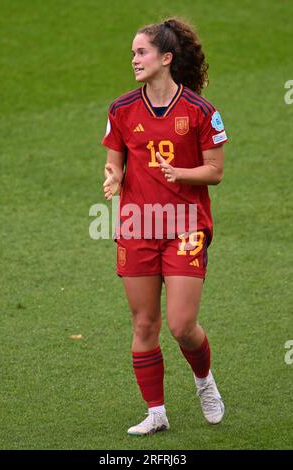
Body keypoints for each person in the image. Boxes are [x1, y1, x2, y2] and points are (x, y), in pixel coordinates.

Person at [102, 17, 228, 436]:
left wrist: (181, 174)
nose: (134, 59)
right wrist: (113, 177)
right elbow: (115, 159)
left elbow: (215, 172)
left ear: (166, 58)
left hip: (185, 227)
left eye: (142, 52)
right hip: (137, 226)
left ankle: (204, 382)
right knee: (144, 325)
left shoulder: (200, 111)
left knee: (181, 326)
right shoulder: (121, 109)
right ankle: (156, 413)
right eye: (134, 53)